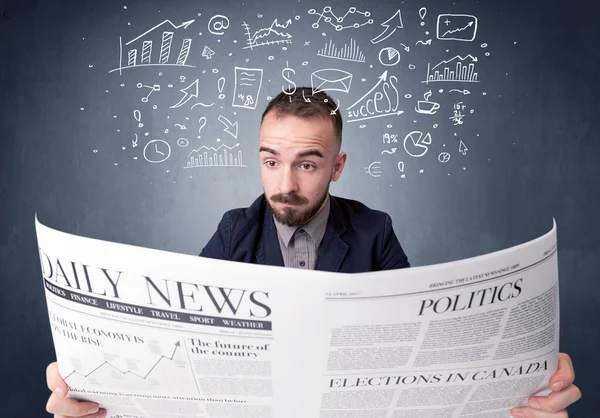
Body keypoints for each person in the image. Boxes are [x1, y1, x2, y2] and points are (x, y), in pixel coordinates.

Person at [46, 88, 581, 418]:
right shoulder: (235, 231)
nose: (285, 183)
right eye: (271, 161)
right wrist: (100, 389)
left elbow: (423, 349)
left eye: (307, 163)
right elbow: (180, 348)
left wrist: (518, 385)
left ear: (338, 167)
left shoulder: (373, 231)